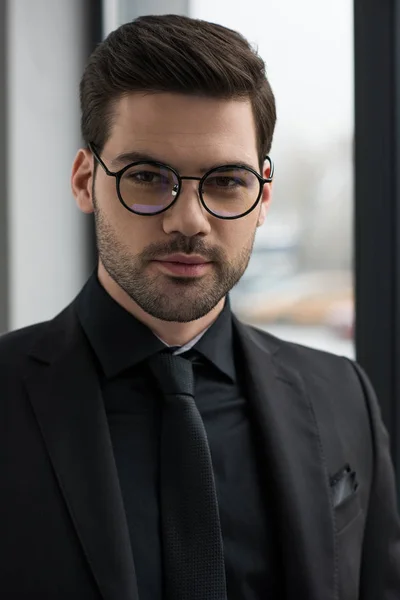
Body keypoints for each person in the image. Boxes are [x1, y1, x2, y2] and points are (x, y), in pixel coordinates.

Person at [0, 13, 399, 600]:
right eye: (146, 176)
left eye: (226, 182)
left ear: (263, 195)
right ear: (86, 181)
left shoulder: (343, 396)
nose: (189, 220)